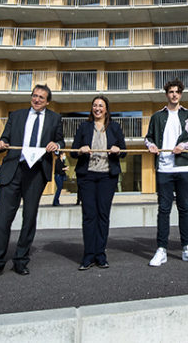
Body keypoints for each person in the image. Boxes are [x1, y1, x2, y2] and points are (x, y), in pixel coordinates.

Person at [0, 84, 65, 280]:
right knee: (3, 219)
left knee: (29, 219)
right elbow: (4, 140)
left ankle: (20, 260)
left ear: (47, 102)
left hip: (36, 173)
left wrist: (57, 145)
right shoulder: (16, 116)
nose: (36, 100)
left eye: (41, 98)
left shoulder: (55, 119)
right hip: (13, 170)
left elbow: (61, 141)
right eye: (34, 96)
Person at [145, 79, 188, 266]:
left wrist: (183, 146)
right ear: (166, 94)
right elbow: (148, 138)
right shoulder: (157, 116)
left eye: (177, 92)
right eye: (171, 91)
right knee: (164, 209)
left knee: (185, 208)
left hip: (184, 167)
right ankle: (161, 250)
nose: (174, 95)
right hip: (164, 168)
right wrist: (152, 146)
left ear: (181, 94)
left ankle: (187, 248)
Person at [72, 96, 126, 270]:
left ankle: (100, 254)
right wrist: (80, 150)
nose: (97, 108)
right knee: (89, 216)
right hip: (87, 176)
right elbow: (73, 152)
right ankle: (88, 255)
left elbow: (123, 151)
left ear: (106, 109)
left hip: (107, 177)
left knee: (103, 215)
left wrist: (118, 150)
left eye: (100, 106)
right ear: (91, 108)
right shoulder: (84, 126)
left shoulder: (115, 127)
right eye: (94, 105)